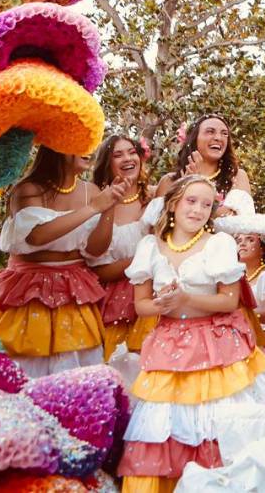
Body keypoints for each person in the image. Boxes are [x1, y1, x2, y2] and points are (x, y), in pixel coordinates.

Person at [117, 175, 265, 491]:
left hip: (215, 343)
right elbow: (141, 306)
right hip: (169, 344)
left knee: (217, 422)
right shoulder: (150, 246)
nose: (199, 209)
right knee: (165, 425)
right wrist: (163, 304)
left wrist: (186, 299)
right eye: (192, 201)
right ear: (174, 204)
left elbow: (229, 300)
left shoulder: (218, 244)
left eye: (206, 204)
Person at [0, 146, 128, 377]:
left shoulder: (90, 190)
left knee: (75, 370)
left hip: (73, 289)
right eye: (79, 144)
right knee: (27, 366)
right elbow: (36, 236)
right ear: (56, 147)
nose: (89, 151)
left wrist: (108, 207)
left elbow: (95, 249)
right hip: (28, 290)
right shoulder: (28, 189)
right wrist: (93, 207)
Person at [87, 135, 157, 360]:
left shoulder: (156, 197)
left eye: (131, 152)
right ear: (107, 164)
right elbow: (99, 269)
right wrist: (143, 260)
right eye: (118, 154)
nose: (127, 158)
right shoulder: (95, 204)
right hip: (115, 300)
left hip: (156, 293)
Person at [154, 115, 255, 217]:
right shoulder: (168, 181)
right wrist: (185, 187)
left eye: (224, 134)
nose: (218, 138)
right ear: (194, 138)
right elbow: (160, 226)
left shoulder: (238, 177)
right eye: (210, 131)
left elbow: (243, 222)